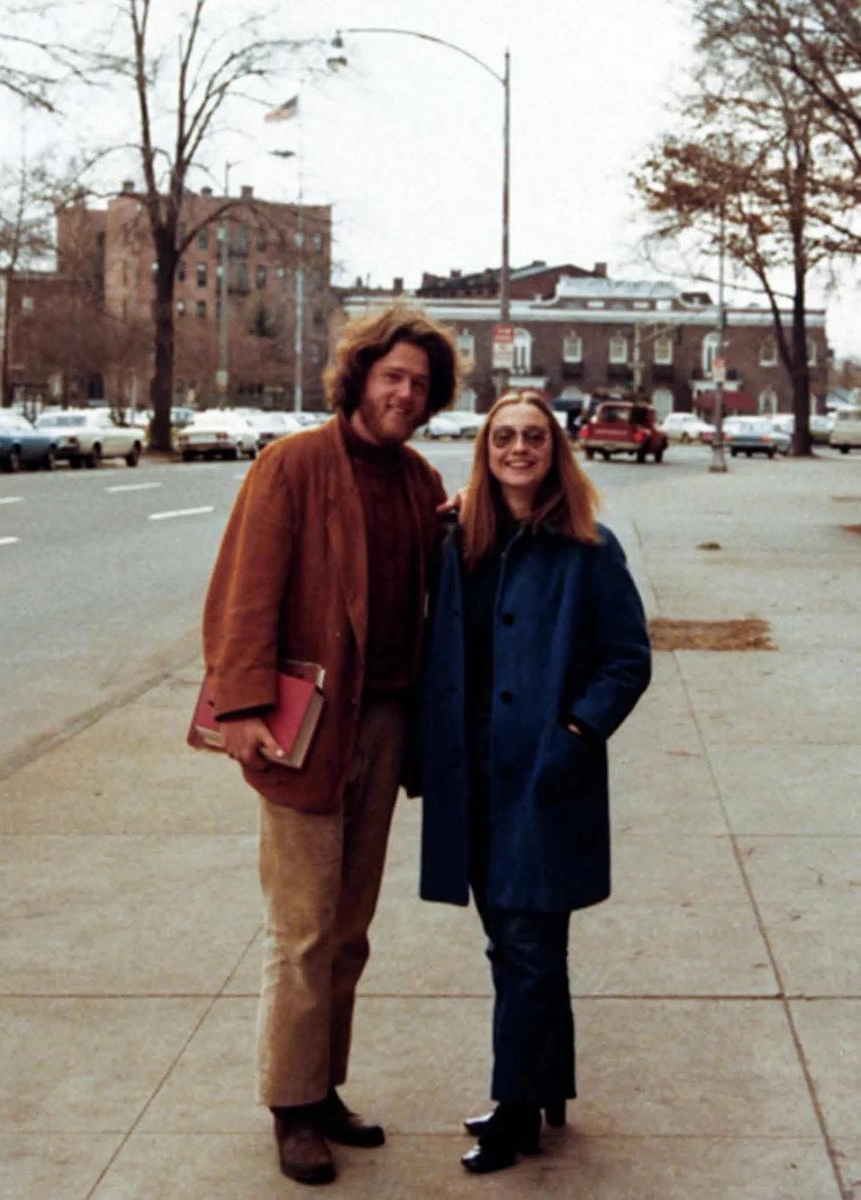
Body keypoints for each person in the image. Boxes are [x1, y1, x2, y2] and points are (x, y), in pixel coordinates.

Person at [202, 305, 459, 1185]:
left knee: (349, 929)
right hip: (304, 727)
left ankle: (323, 1086)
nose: (406, 393)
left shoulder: (421, 480)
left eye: (420, 384)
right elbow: (246, 589)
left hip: (386, 723)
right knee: (304, 927)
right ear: (358, 377)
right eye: (392, 376)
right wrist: (240, 711)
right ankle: (290, 1106)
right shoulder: (295, 465)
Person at [418, 388, 651, 1174]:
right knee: (512, 944)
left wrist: (576, 732)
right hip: (472, 773)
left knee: (527, 943)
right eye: (503, 438)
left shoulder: (588, 547)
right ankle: (544, 1086)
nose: (518, 448)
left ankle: (517, 1110)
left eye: (534, 438)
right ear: (485, 452)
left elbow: (627, 659)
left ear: (556, 451)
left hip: (544, 775)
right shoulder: (458, 543)